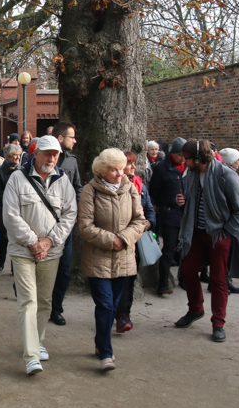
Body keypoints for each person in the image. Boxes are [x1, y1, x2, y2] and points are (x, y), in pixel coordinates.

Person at [2, 135, 78, 375]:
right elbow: (10, 215)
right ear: (36, 153)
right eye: (47, 153)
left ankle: (38, 340)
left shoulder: (63, 181)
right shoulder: (17, 178)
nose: (52, 158)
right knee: (28, 301)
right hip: (23, 250)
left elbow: (70, 215)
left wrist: (49, 241)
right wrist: (34, 242)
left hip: (52, 251)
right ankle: (31, 355)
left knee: (45, 300)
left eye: (56, 154)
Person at [174, 139, 239, 343]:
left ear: (199, 158)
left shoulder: (226, 175)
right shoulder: (192, 174)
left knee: (218, 279)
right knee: (187, 271)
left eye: (187, 158)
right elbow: (194, 203)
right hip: (195, 233)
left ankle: (218, 323)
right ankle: (196, 309)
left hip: (219, 234)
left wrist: (227, 232)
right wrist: (183, 203)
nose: (183, 161)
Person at [78, 149, 147, 371]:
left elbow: (140, 220)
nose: (119, 173)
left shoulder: (130, 189)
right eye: (114, 169)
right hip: (98, 258)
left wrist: (123, 239)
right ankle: (106, 353)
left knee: (114, 305)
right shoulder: (90, 191)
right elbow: (85, 226)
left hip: (124, 258)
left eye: (121, 168)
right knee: (105, 304)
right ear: (102, 171)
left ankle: (100, 342)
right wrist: (112, 241)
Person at [115, 150, 157, 333]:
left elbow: (150, 210)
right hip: (117, 240)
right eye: (129, 163)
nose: (134, 167)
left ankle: (124, 315)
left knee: (130, 279)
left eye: (134, 163)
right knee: (116, 280)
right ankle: (114, 312)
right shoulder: (112, 187)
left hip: (136, 241)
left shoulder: (141, 186)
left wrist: (148, 223)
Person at [48, 121, 83, 326]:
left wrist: (74, 212)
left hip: (65, 225)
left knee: (64, 268)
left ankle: (56, 309)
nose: (75, 140)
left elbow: (77, 187)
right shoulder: (42, 159)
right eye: (71, 137)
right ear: (61, 138)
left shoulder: (72, 161)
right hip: (43, 223)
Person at [148, 137, 187, 296]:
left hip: (186, 214)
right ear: (173, 154)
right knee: (169, 248)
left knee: (186, 248)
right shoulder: (162, 168)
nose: (183, 158)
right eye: (180, 155)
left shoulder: (189, 168)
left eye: (185, 156)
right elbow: (154, 191)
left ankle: (184, 278)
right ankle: (163, 283)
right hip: (170, 213)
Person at [219, 148, 239, 292]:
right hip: (229, 222)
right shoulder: (229, 175)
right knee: (226, 255)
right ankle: (223, 282)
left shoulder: (224, 173)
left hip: (228, 222)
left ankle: (224, 281)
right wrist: (231, 228)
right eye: (238, 159)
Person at [0, 142, 23, 272]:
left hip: (19, 210)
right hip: (4, 208)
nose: (17, 158)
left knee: (16, 239)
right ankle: (1, 260)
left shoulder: (22, 171)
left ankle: (13, 266)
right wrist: (11, 201)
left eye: (19, 155)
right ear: (7, 156)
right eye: (14, 155)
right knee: (4, 237)